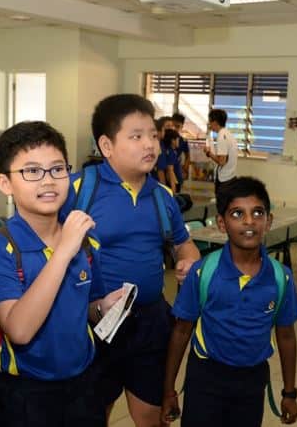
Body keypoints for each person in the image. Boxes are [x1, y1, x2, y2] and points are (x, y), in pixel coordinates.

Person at [62, 93, 200, 427]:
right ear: (107, 146)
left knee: (151, 418)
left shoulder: (162, 197)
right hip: (93, 324)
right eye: (136, 136)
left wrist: (189, 264)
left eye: (152, 135)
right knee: (91, 416)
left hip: (150, 324)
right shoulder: (79, 190)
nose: (150, 145)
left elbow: (185, 246)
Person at [0, 121, 123, 427]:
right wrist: (63, 251)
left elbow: (88, 308)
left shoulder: (84, 241)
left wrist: (104, 308)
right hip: (26, 395)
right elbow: (19, 330)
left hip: (84, 386)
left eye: (58, 169)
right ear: (5, 183)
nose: (48, 181)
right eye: (31, 171)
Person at [162, 176, 297, 426]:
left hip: (252, 381)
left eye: (257, 213)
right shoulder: (203, 272)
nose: (249, 221)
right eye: (237, 214)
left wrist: (289, 392)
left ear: (268, 221)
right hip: (205, 377)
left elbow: (287, 335)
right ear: (222, 223)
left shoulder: (281, 278)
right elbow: (181, 332)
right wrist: (169, 390)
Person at [204, 108, 237, 194]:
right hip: (230, 177)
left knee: (222, 205)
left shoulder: (221, 136)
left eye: (210, 122)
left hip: (224, 180)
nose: (209, 124)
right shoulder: (228, 134)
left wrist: (208, 153)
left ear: (214, 122)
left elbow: (221, 161)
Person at [156, 129, 181, 193]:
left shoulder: (170, 151)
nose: (179, 142)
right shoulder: (171, 152)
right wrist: (173, 189)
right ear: (173, 141)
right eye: (178, 140)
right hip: (171, 183)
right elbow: (170, 171)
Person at [170, 113, 190, 191]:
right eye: (173, 126)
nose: (175, 128)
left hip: (177, 171)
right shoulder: (164, 139)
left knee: (176, 193)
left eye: (178, 126)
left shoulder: (183, 141)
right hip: (166, 171)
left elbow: (188, 156)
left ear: (182, 127)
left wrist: (185, 169)